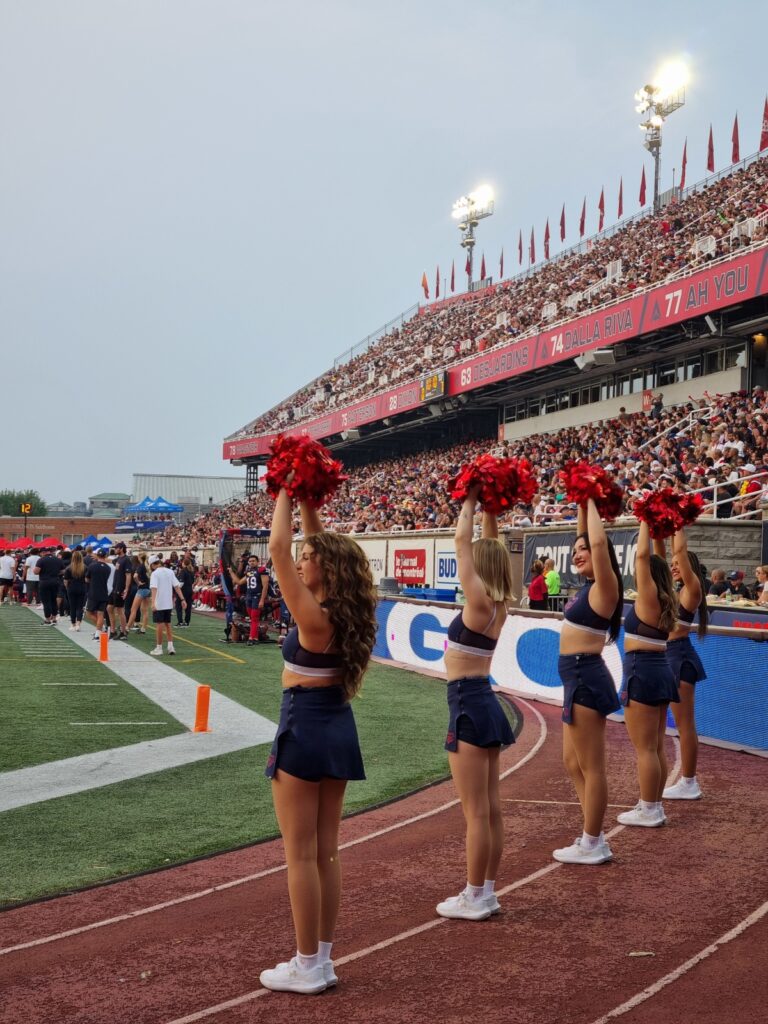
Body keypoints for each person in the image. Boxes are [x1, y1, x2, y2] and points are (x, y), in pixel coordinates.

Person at [259, 485, 377, 995]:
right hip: (337, 726)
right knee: (327, 851)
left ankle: (307, 965)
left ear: (327, 571)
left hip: (304, 726)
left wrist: (284, 485)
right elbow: (308, 542)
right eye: (304, 557)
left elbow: (277, 550)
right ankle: (322, 960)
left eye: (311, 560)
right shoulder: (349, 615)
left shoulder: (313, 619)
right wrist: (308, 497)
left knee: (300, 855)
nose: (301, 563)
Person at [436, 486, 515, 922]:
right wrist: (491, 509)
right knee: (490, 807)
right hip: (483, 700)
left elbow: (461, 544)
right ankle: (486, 890)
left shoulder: (479, 602)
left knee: (475, 812)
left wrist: (468, 498)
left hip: (467, 701)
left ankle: (475, 894)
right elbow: (485, 546)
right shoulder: (498, 604)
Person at [553, 498, 624, 865]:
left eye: (584, 549)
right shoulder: (588, 586)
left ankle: (593, 841)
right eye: (574, 550)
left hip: (585, 675)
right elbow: (587, 538)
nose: (578, 553)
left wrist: (592, 496)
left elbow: (598, 543)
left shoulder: (606, 586)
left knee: (592, 765)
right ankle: (589, 831)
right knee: (571, 761)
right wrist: (581, 503)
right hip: (574, 676)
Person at [617, 520, 679, 827]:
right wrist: (658, 533)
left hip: (642, 671)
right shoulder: (666, 596)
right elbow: (655, 561)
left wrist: (644, 519)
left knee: (645, 748)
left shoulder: (649, 597)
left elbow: (642, 558)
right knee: (655, 744)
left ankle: (649, 808)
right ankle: (654, 805)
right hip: (660, 670)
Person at [656, 529, 709, 801]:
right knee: (672, 724)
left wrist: (677, 523)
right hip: (668, 657)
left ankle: (689, 781)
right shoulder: (674, 592)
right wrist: (656, 531)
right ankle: (684, 781)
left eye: (679, 564)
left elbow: (678, 551)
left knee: (684, 724)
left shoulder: (692, 590)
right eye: (673, 565)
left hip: (679, 657)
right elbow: (659, 560)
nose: (674, 566)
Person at [149, 555, 186, 656]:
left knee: (159, 625)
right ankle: (170, 646)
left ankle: (159, 647)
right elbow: (177, 586)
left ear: (152, 565)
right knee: (168, 625)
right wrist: (182, 599)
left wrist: (153, 603)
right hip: (168, 603)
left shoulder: (155, 574)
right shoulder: (170, 571)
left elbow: (154, 588)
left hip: (159, 603)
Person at [231, 554, 269, 645]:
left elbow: (265, 586)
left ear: (257, 561)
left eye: (253, 561)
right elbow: (239, 582)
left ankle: (252, 638)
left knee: (254, 618)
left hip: (257, 596)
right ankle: (254, 637)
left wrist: (262, 600)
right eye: (250, 561)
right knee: (252, 618)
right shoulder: (248, 572)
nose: (251, 562)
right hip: (249, 596)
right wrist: (231, 573)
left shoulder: (261, 570)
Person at [85, 550, 112, 637]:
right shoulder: (108, 568)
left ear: (97, 555)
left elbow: (87, 579)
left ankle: (100, 629)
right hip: (104, 592)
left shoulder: (92, 566)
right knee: (100, 614)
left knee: (89, 613)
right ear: (105, 556)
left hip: (93, 592)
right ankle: (99, 631)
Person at [110, 542, 133, 639]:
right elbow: (110, 560)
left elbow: (128, 575)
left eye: (116, 548)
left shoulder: (126, 560)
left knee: (119, 610)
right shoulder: (118, 559)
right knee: (109, 607)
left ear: (121, 549)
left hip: (120, 588)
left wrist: (126, 589)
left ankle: (123, 632)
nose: (115, 549)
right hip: (115, 587)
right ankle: (113, 630)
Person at [36, 547, 63, 624]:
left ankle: (47, 618)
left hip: (44, 582)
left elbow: (36, 571)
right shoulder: (58, 560)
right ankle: (54, 618)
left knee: (46, 601)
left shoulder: (41, 560)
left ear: (43, 552)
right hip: (55, 581)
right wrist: (55, 573)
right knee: (53, 600)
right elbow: (63, 570)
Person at [127, 552, 151, 633]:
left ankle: (127, 627)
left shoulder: (140, 566)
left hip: (142, 589)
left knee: (133, 609)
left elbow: (135, 576)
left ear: (139, 558)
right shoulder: (147, 566)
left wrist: (138, 583)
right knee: (144, 610)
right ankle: (143, 629)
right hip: (148, 589)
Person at [63, 550, 88, 631]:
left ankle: (73, 624)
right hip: (82, 588)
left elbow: (66, 581)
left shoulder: (69, 568)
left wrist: (67, 588)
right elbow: (87, 580)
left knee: (72, 607)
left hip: (71, 588)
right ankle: (78, 624)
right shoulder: (85, 567)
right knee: (79, 607)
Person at [175, 555, 196, 628]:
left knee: (178, 606)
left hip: (183, 591)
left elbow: (181, 582)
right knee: (188, 607)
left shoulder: (183, 571)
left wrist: (176, 588)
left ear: (183, 563)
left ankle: (180, 622)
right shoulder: (191, 571)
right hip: (189, 590)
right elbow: (193, 581)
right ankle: (187, 622)